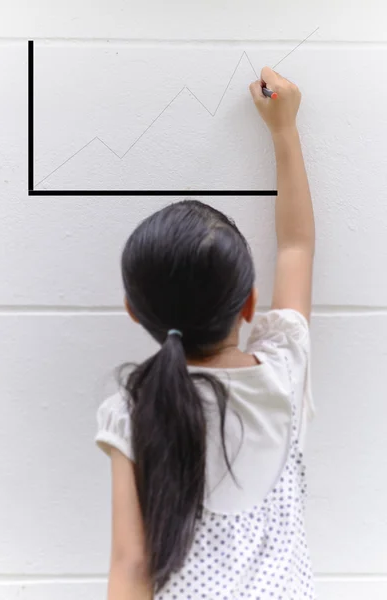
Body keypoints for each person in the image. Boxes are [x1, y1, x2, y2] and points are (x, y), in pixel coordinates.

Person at [95, 65, 316, 600]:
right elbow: (296, 247)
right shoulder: (285, 367)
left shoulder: (132, 408)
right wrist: (284, 130)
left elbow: (130, 568)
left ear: (132, 309)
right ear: (249, 305)